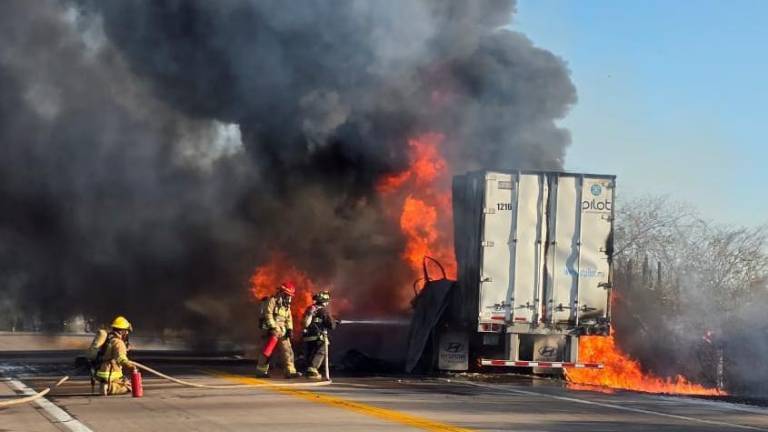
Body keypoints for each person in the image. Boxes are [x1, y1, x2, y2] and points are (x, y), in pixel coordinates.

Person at [255, 282, 301, 378]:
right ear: (282, 293)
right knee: (267, 351)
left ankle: (290, 372)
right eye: (288, 295)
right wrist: (272, 327)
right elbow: (268, 314)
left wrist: (289, 329)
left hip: (282, 330)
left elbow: (289, 318)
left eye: (290, 296)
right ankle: (261, 372)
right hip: (271, 330)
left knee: (287, 350)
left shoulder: (286, 305)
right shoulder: (272, 300)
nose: (289, 298)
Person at [94, 316, 136, 395]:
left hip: (101, 370)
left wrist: (125, 349)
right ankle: (110, 388)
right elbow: (121, 358)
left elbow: (110, 351)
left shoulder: (109, 339)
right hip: (111, 371)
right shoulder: (119, 342)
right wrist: (130, 366)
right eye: (126, 330)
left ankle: (106, 384)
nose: (127, 333)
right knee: (129, 386)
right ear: (121, 331)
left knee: (123, 380)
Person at [301, 290, 337, 380]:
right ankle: (312, 370)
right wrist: (335, 322)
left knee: (311, 354)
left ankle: (309, 371)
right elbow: (331, 325)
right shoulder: (323, 311)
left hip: (307, 337)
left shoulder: (310, 309)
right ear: (324, 302)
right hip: (318, 337)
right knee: (321, 351)